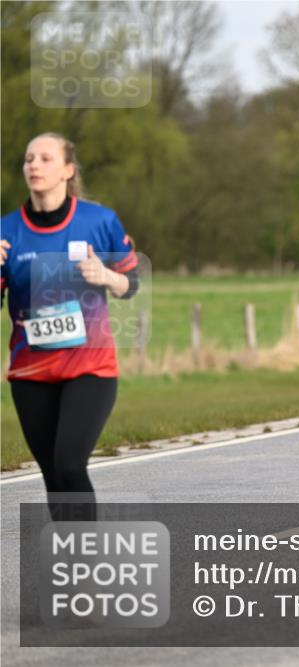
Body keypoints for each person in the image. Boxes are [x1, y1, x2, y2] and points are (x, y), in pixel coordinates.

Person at [1, 133, 140, 521]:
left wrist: (106, 276)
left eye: (45, 158)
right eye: (28, 158)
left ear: (67, 170)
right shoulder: (6, 232)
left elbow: (132, 285)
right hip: (30, 372)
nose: (33, 165)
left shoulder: (100, 221)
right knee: (53, 476)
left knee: (69, 464)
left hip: (90, 368)